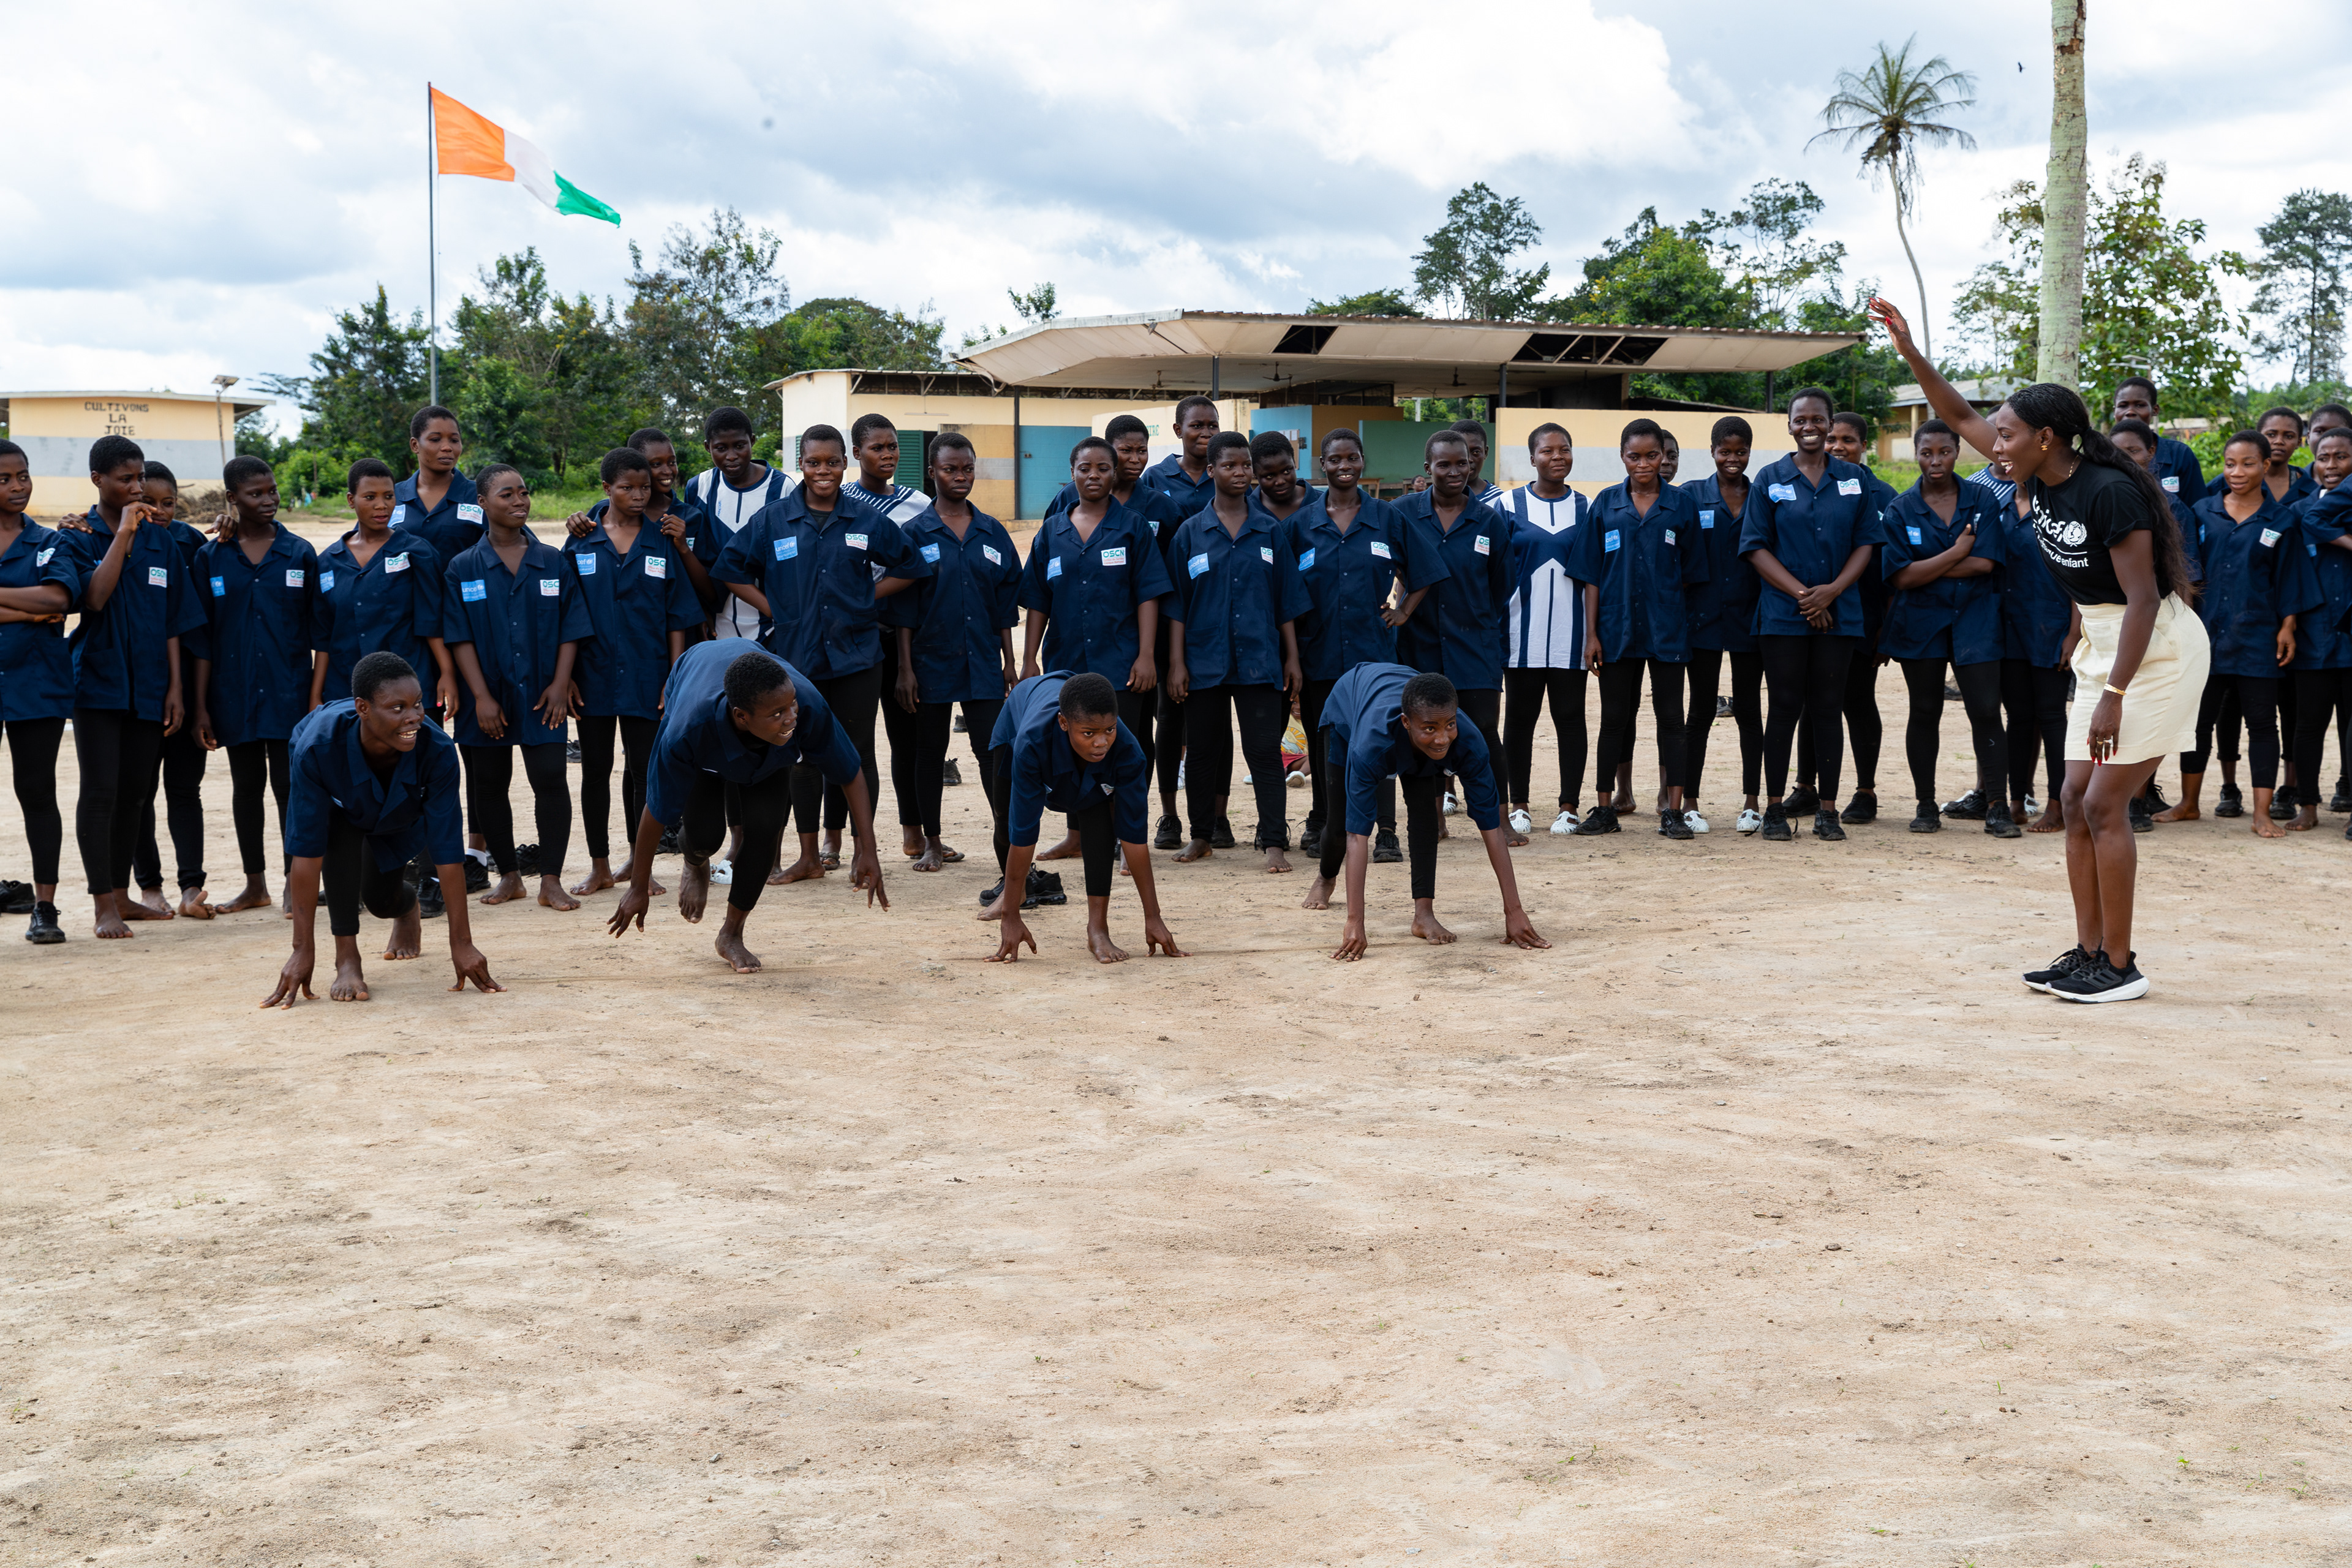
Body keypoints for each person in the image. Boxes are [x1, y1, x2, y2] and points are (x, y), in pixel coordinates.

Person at [1879, 295, 2209, 1003]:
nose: (1993, 446)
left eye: (2007, 435)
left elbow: (2144, 601)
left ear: (2047, 437)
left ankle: (2119, 966)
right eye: (1996, 435)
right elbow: (1959, 416)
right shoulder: (2035, 473)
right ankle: (2087, 953)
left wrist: (2114, 696)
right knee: (2072, 796)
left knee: (2105, 804)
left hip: (2156, 651)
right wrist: (1908, 349)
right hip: (2104, 645)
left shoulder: (2108, 493)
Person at [713, 423, 929, 882]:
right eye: (814, 463)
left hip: (857, 657)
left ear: (845, 463)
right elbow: (730, 568)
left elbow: (911, 565)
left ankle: (863, 851)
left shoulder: (866, 519)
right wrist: (774, 609)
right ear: (802, 465)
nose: (823, 471)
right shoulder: (774, 520)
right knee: (801, 752)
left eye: (832, 462)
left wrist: (868, 599)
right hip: (797, 657)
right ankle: (809, 856)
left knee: (858, 752)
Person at [606, 644, 889, 974]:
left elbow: (850, 774)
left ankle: (731, 934)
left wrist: (868, 850)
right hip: (702, 725)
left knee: (765, 829)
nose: (791, 717)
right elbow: (656, 809)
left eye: (792, 705)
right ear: (742, 716)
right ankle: (695, 863)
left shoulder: (806, 706)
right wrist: (638, 887)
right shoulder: (687, 730)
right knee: (704, 837)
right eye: (778, 714)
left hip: (769, 755)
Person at [265, 652, 500, 1005]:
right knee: (338, 837)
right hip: (340, 805)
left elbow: (448, 852)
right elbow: (307, 854)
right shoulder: (317, 749)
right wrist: (301, 950)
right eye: (397, 708)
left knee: (380, 900)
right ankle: (347, 959)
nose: (414, 717)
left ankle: (406, 909)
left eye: (418, 704)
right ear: (363, 708)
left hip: (397, 811)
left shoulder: (436, 750)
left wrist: (462, 944)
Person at [57, 435, 205, 938]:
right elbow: (95, 598)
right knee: (100, 793)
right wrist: (122, 532)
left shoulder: (162, 541)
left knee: (135, 796)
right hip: (98, 683)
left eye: (140, 477)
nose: (137, 487)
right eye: (126, 479)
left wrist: (175, 688)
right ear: (98, 480)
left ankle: (123, 895)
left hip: (150, 685)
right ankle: (104, 904)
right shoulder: (77, 537)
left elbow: (173, 621)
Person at [1298, 664, 1547, 960]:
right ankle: (1326, 878)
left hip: (1406, 709)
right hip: (1349, 704)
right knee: (1342, 825)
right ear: (1406, 722)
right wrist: (1355, 922)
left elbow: (1491, 826)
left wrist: (1514, 911)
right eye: (1431, 729)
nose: (1442, 738)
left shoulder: (1469, 743)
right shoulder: (1370, 745)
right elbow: (1357, 836)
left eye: (1450, 725)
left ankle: (1423, 915)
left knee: (1426, 820)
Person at [1736, 388, 1885, 842]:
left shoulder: (1853, 479)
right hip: (1783, 614)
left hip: (1841, 614)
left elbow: (1867, 542)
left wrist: (1833, 592)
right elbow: (1755, 547)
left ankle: (1828, 812)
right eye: (1800, 420)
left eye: (1818, 419)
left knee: (1827, 708)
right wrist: (1806, 597)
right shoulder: (1769, 478)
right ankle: (1775, 810)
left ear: (1829, 423)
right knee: (1784, 707)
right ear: (1789, 426)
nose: (1810, 427)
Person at [440, 464, 592, 908]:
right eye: (506, 495)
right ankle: (509, 876)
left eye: (523, 492)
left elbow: (571, 627)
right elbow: (459, 637)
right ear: (482, 504)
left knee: (551, 779)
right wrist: (481, 697)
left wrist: (561, 684)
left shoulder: (552, 561)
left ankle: (551, 880)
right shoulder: (463, 567)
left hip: (543, 694)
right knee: (489, 784)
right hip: (486, 696)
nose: (519, 501)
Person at [1288, 427, 1436, 863]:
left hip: (1373, 656)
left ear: (1362, 461)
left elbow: (1425, 571)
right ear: (1322, 465)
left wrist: (1403, 612)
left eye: (1352, 457)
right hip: (1319, 655)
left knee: (1382, 739)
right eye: (1335, 459)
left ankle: (1387, 831)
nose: (1344, 466)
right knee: (1326, 745)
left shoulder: (1387, 518)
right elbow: (1285, 595)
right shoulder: (1300, 525)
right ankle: (1326, 824)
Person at [1017, 437, 1174, 846]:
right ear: (1071, 473)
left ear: (1114, 473)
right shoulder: (1052, 531)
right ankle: (1077, 835)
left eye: (1103, 469)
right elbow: (1038, 600)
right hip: (1066, 662)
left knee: (1126, 749)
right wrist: (1030, 661)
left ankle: (1126, 837)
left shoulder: (1133, 527)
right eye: (1085, 469)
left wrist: (1146, 655)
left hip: (1122, 663)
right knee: (1074, 746)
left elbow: (1148, 594)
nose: (1094, 476)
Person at [565, 447, 704, 899]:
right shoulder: (582, 540)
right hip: (592, 676)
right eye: (627, 488)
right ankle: (599, 866)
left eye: (645, 487)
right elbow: (565, 613)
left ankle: (638, 864)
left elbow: (678, 616)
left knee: (646, 772)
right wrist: (566, 676)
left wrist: (673, 678)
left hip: (648, 676)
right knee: (595, 770)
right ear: (607, 489)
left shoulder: (661, 540)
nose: (639, 495)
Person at [1166, 429, 1308, 869]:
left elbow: (1286, 601)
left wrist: (1292, 658)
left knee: (1263, 752)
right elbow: (1177, 606)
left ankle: (1273, 842)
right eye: (1229, 465)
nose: (1241, 472)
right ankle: (1201, 836)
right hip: (1203, 660)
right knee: (1202, 752)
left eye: (1246, 465)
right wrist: (1176, 663)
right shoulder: (1190, 533)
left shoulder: (1269, 531)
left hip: (1260, 660)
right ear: (1211, 471)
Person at [190, 455, 325, 914]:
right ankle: (255, 885)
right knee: (246, 788)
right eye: (255, 494)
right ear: (232, 498)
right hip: (234, 694)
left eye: (272, 491)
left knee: (291, 789)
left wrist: (315, 696)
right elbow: (202, 640)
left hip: (291, 693)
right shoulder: (210, 557)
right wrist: (202, 706)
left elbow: (320, 634)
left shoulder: (299, 553)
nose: (269, 500)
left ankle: (294, 883)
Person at [2171, 432, 2321, 837]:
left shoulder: (2281, 521)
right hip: (2206, 637)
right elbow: (2187, 572)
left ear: (2265, 466)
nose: (2237, 472)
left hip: (2258, 638)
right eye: (2230, 464)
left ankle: (2261, 813)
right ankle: (2188, 803)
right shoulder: (2202, 512)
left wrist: (2288, 626)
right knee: (2198, 724)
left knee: (2262, 725)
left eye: (2248, 464)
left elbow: (2290, 578)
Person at [887, 432, 1023, 873]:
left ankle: (1006, 839)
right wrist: (905, 669)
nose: (960, 477)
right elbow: (904, 610)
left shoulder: (993, 531)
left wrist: (1009, 662)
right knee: (929, 752)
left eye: (967, 469)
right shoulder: (914, 533)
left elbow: (1005, 605)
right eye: (950, 469)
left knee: (993, 751)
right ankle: (932, 842)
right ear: (933, 473)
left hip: (983, 661)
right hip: (929, 663)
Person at [1562, 419, 1705, 839]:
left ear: (1664, 456)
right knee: (1614, 719)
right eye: (1634, 456)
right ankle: (1605, 808)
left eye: (1652, 456)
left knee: (1672, 719)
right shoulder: (1606, 504)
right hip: (1615, 630)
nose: (1643, 464)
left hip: (1667, 630)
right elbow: (1591, 575)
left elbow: (1692, 573)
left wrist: (1667, 607)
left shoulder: (1681, 506)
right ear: (1622, 457)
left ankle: (1673, 811)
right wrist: (1592, 635)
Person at [982, 671, 1184, 964]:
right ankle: (1013, 896)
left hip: (1077, 738)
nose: (1102, 742)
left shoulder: (1128, 753)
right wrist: (1010, 917)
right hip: (1021, 709)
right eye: (1089, 734)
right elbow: (1025, 834)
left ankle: (1098, 929)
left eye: (1109, 730)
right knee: (1007, 823)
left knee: (1099, 824)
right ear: (1064, 723)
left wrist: (1153, 917)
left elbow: (1134, 838)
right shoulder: (1031, 744)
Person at [1877, 421, 2017, 835]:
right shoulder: (1901, 509)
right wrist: (1957, 552)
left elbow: (1986, 563)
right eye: (1927, 453)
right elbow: (1901, 577)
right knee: (1924, 711)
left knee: (1986, 711)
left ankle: (1997, 806)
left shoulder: (1982, 499)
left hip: (1976, 620)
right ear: (1916, 455)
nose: (1935, 461)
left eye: (1944, 452)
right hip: (1920, 623)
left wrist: (1927, 568)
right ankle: (1925, 806)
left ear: (1957, 452)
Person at [1396, 429, 1513, 827]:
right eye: (1443, 464)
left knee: (1483, 732)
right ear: (1427, 468)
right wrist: (1400, 610)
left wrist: (1474, 615)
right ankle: (1432, 821)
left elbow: (1502, 585)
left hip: (1475, 647)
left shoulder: (1489, 521)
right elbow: (1389, 564)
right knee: (1425, 735)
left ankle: (1498, 819)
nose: (1454, 471)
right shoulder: (1403, 513)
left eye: (1462, 463)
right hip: (1419, 646)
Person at [844, 413, 941, 860]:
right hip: (852, 637)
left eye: (893, 446)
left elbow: (920, 570)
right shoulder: (841, 499)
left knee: (908, 740)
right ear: (856, 453)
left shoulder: (917, 503)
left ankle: (913, 832)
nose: (888, 455)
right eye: (877, 448)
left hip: (902, 637)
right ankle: (839, 839)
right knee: (853, 742)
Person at [123, 461, 217, 918]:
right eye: (149, 501)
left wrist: (199, 703)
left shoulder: (191, 543)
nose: (159, 511)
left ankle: (191, 886)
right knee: (139, 792)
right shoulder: (118, 538)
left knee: (184, 789)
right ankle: (149, 886)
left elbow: (197, 628)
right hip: (139, 687)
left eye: (169, 503)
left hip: (189, 686)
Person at [0, 439, 78, 944]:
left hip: (38, 684)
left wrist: (35, 607)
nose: (18, 486)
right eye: (5, 479)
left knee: (37, 792)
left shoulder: (52, 541)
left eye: (23, 475)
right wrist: (27, 612)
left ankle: (45, 908)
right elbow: (41, 605)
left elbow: (58, 599)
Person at [1804, 411, 1895, 825]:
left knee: (1857, 701)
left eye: (1848, 440)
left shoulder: (1885, 497)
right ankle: (1806, 788)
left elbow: (1891, 570)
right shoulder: (1810, 485)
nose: (1838, 447)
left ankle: (1865, 791)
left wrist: (1884, 628)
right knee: (1812, 703)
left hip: (1862, 617)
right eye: (1832, 439)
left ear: (1864, 446)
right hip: (1812, 614)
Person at [1137, 398, 1220, 844]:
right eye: (1196, 426)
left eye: (1212, 425)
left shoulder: (1226, 472)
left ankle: (1217, 817)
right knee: (1169, 719)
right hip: (1169, 612)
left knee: (1215, 722)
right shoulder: (1155, 480)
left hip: (1215, 615)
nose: (1205, 433)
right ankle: (1169, 815)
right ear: (1178, 430)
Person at [1499, 422, 1588, 838]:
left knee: (1570, 718)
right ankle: (1519, 805)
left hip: (1573, 635)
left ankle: (1569, 807)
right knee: (1519, 720)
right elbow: (1492, 569)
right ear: (1532, 458)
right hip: (1521, 634)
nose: (1557, 457)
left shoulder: (1587, 507)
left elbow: (1594, 575)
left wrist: (1594, 633)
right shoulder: (1507, 505)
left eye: (1564, 449)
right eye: (1548, 451)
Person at [2112, 421, 2199, 831]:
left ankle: (2137, 799)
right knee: (2120, 709)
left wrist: (2177, 633)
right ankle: (2118, 796)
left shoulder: (2173, 507)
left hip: (2158, 623)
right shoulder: (2103, 500)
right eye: (2117, 452)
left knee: (2148, 711)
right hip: (2113, 622)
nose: (2126, 460)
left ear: (2152, 453)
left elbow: (2185, 577)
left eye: (2134, 451)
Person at [1683, 417, 1766, 834]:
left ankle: (1752, 802)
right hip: (1702, 618)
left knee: (1749, 710)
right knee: (1700, 711)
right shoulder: (1691, 495)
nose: (1733, 458)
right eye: (1725, 451)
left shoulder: (1762, 495)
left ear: (1750, 452)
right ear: (1712, 451)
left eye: (1741, 451)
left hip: (1750, 617)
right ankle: (1690, 802)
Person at [1990, 451, 2073, 833]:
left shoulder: (2060, 514)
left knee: (2053, 718)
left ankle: (2058, 806)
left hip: (2051, 629)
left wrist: (2074, 634)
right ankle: (2017, 801)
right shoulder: (1999, 509)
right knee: (2019, 718)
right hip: (2010, 631)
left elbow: (2078, 580)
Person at [2286, 426, 2352, 836]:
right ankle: (2307, 805)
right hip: (2314, 636)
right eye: (2323, 457)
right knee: (2308, 724)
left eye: (2342, 457)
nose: (2331, 465)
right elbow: (2290, 575)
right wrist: (2291, 625)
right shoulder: (2298, 512)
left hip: (2350, 637)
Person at [682, 406, 796, 643]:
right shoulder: (698, 487)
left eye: (740, 446)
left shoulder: (783, 488)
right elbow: (691, 556)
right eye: (721, 448)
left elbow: (792, 559)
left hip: (771, 626)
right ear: (707, 447)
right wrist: (698, 609)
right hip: (715, 626)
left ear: (752, 441)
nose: (731, 456)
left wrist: (781, 613)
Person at [390, 405, 483, 561]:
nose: (447, 447)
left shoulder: (481, 497)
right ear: (415, 445)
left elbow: (517, 545)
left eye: (454, 440)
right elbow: (364, 545)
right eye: (435, 440)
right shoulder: (392, 497)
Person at [2110, 378, 2204, 505]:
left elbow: (2197, 506)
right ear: (2114, 412)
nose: (2130, 412)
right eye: (2123, 406)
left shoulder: (2180, 454)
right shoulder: (2102, 456)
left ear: (2155, 410)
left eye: (2140, 405)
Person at [1250, 431, 1317, 522]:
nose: (1280, 482)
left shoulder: (1324, 503)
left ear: (1294, 463)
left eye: (1287, 471)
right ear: (1254, 474)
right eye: (1270, 476)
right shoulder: (1247, 511)